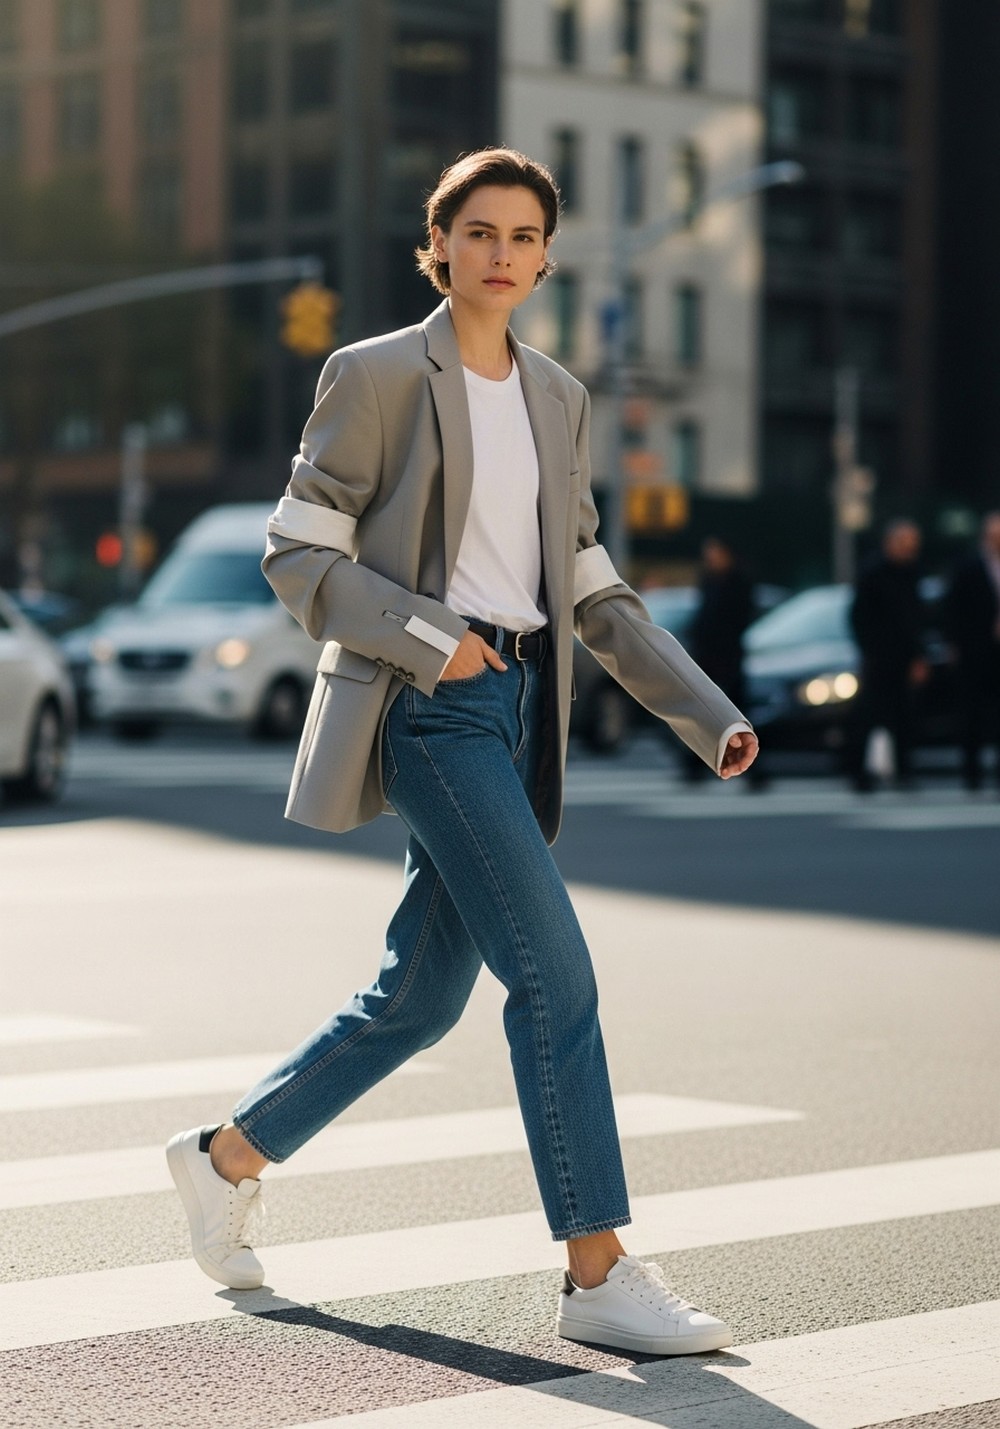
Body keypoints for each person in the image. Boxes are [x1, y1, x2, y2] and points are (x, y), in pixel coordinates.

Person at [165, 148, 758, 1358]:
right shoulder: (375, 373)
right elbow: (299, 553)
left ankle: (222, 1158)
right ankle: (597, 1269)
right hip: (431, 708)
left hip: (519, 707)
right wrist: (433, 644)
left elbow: (590, 584)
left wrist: (707, 712)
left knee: (417, 999)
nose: (499, 253)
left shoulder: (558, 395)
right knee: (554, 974)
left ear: (546, 256)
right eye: (476, 232)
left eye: (523, 234)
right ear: (437, 246)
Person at [845, 519, 928, 792]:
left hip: (902, 656)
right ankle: (858, 773)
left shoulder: (912, 572)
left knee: (904, 716)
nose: (909, 550)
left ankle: (904, 772)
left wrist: (918, 655)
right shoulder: (872, 572)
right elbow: (859, 616)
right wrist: (868, 650)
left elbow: (916, 619)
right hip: (879, 656)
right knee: (868, 715)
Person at [681, 537, 756, 784]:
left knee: (736, 711)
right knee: (703, 711)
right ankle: (696, 766)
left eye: (714, 552)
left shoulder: (739, 581)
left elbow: (740, 617)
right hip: (708, 655)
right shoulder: (709, 580)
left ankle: (750, 766)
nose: (710, 557)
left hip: (729, 655)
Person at [944, 511, 1000, 792]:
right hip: (975, 650)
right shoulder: (967, 567)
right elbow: (953, 611)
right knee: (972, 714)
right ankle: (972, 774)